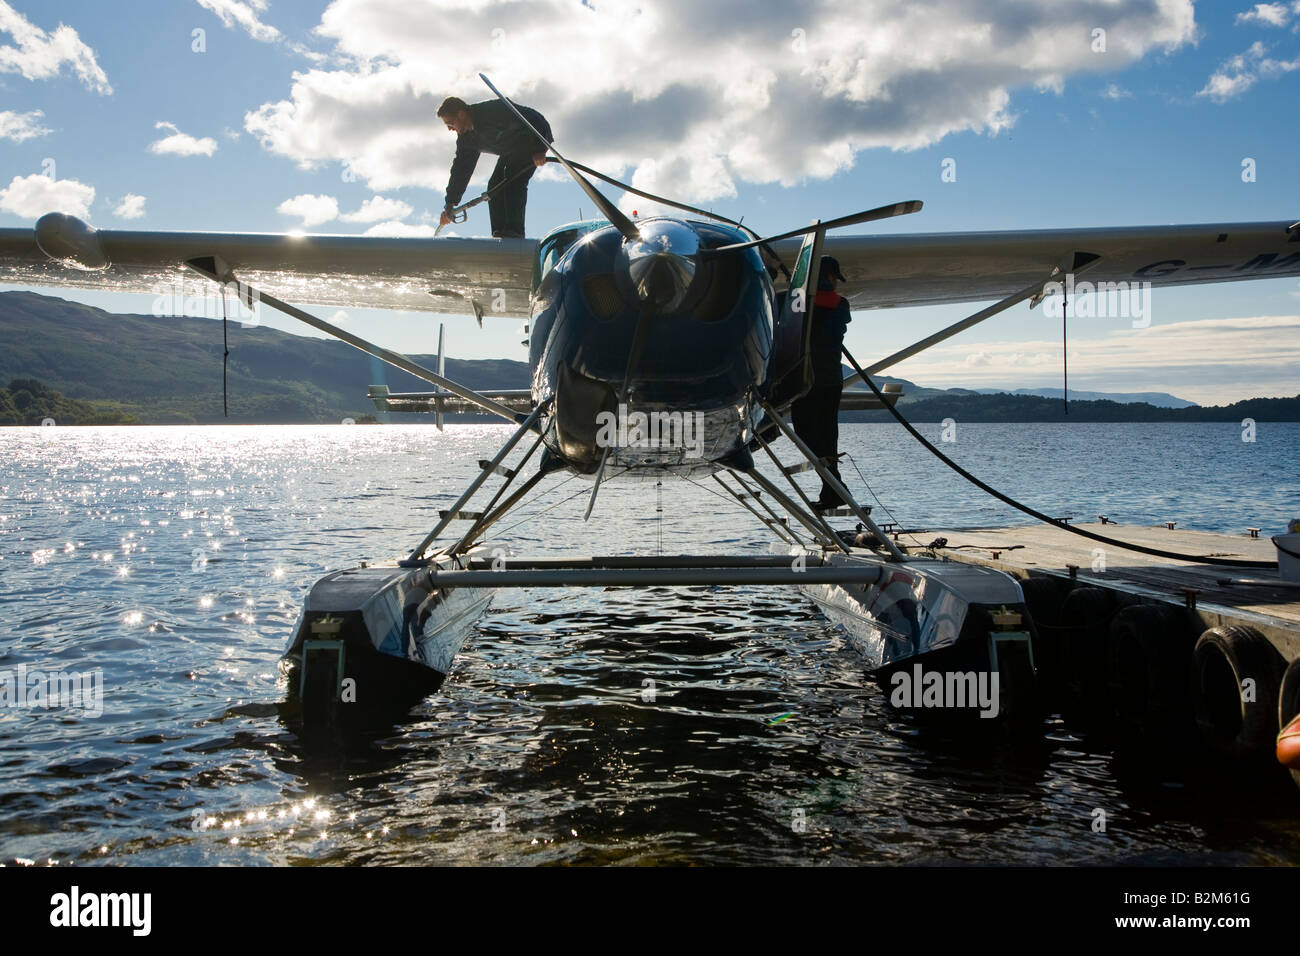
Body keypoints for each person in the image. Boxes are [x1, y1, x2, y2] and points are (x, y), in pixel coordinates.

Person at [436, 95, 552, 239]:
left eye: (450, 123)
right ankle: (499, 232)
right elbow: (460, 170)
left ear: (461, 114)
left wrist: (540, 148)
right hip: (510, 150)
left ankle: (514, 231)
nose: (449, 129)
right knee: (494, 187)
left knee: (512, 180)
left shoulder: (493, 111)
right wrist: (450, 202)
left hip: (529, 141)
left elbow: (534, 119)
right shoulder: (467, 140)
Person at [791, 255, 852, 510]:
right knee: (827, 438)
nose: (836, 284)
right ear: (828, 277)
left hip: (806, 380)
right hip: (831, 380)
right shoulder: (841, 304)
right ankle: (833, 491)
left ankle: (836, 490)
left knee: (806, 435)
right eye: (834, 278)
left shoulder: (798, 300)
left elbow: (783, 313)